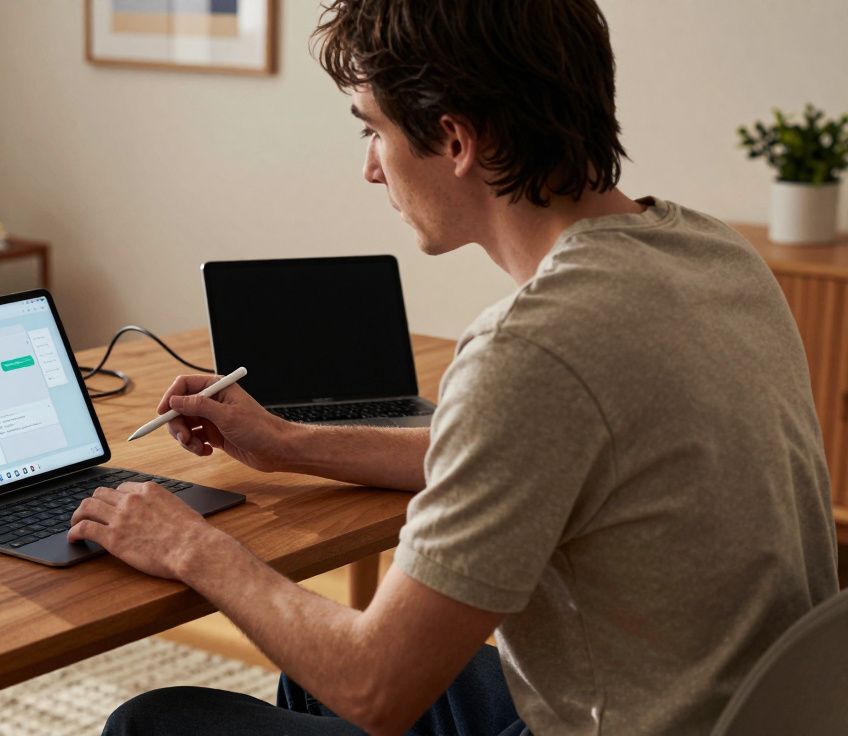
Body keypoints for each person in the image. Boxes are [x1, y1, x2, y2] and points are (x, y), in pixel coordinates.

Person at [67, 1, 840, 733]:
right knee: (309, 676)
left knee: (154, 723)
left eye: (374, 131)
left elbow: (376, 689)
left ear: (457, 140)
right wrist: (287, 442)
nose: (372, 169)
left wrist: (190, 547)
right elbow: (526, 458)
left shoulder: (530, 350)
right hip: (739, 712)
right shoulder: (716, 252)